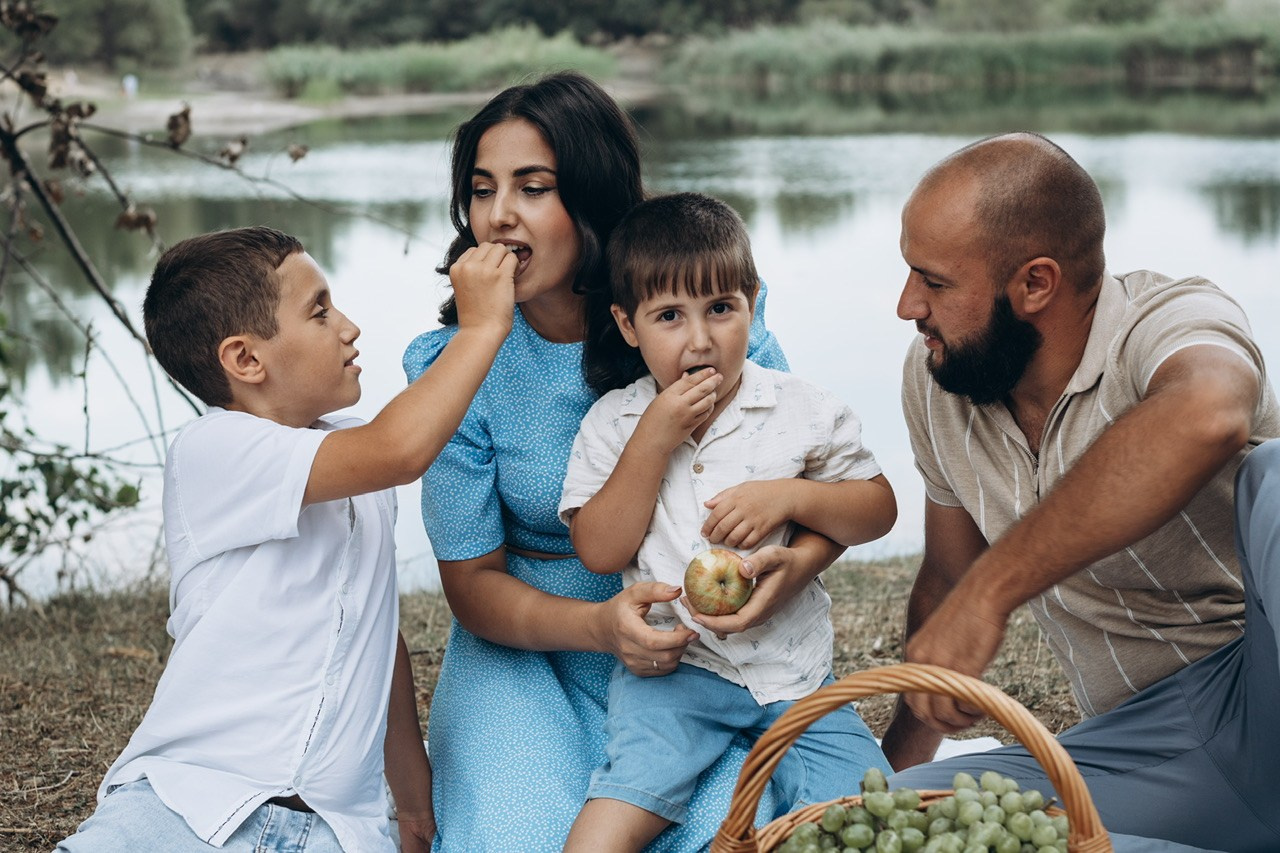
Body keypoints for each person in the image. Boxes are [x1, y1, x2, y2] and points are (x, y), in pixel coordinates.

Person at [403, 72, 847, 852]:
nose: (499, 215)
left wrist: (798, 563)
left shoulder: (706, 322)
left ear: (593, 196)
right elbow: (471, 588)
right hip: (527, 651)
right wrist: (601, 628)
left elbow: (817, 490)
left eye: (533, 188)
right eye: (482, 190)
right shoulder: (453, 364)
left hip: (695, 657)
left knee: (727, 832)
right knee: (519, 839)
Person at [57, 225, 516, 853]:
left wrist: (412, 800)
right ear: (246, 360)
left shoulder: (355, 467)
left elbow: (376, 640)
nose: (349, 328)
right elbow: (400, 447)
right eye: (320, 312)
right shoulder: (213, 449)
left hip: (335, 832)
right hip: (188, 805)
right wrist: (481, 328)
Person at [882, 132, 1280, 852]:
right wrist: (886, 773)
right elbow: (948, 576)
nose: (908, 305)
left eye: (933, 281)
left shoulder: (1167, 319)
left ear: (1036, 283)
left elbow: (1210, 411)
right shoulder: (941, 376)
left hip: (1260, 677)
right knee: (904, 819)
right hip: (1154, 749)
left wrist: (990, 591)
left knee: (1276, 476)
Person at [557, 192, 896, 852]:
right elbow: (599, 549)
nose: (700, 338)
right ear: (628, 326)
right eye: (668, 316)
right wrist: (653, 440)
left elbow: (877, 507)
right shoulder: (616, 423)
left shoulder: (799, 408)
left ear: (753, 301)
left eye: (720, 308)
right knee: (623, 801)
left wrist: (793, 497)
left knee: (873, 803)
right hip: (674, 672)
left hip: (794, 674)